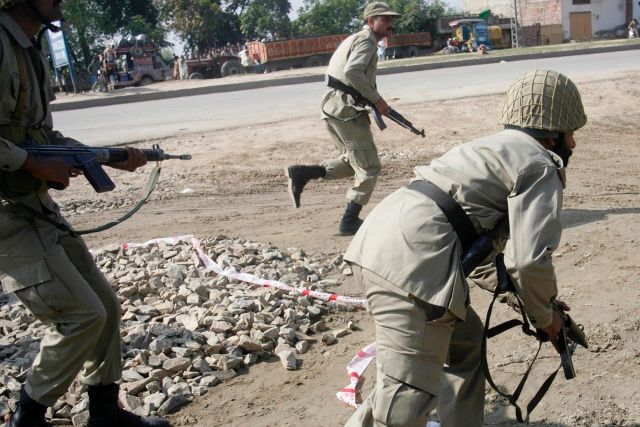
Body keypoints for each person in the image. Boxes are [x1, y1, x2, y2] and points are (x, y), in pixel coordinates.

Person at [343, 69, 587, 426]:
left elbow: (487, 254)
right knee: (403, 401)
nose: (575, 144)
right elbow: (529, 262)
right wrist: (545, 318)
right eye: (572, 133)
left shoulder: (493, 148)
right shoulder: (539, 165)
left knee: (466, 343)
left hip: (386, 240)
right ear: (553, 135)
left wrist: (533, 305)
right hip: (414, 264)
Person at [0, 1, 171, 426]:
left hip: (33, 204)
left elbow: (39, 135)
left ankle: (104, 413)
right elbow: (25, 150)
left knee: (106, 307)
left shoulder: (27, 46)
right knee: (82, 315)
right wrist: (33, 164)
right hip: (7, 214)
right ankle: (28, 417)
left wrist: (106, 156)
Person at [285, 2, 400, 236]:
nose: (390, 24)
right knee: (369, 168)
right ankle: (349, 220)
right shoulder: (367, 42)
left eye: (391, 20)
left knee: (353, 161)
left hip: (333, 108)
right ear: (370, 21)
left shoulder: (357, 38)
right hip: (347, 112)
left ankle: (303, 173)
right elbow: (352, 72)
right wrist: (377, 100)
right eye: (384, 20)